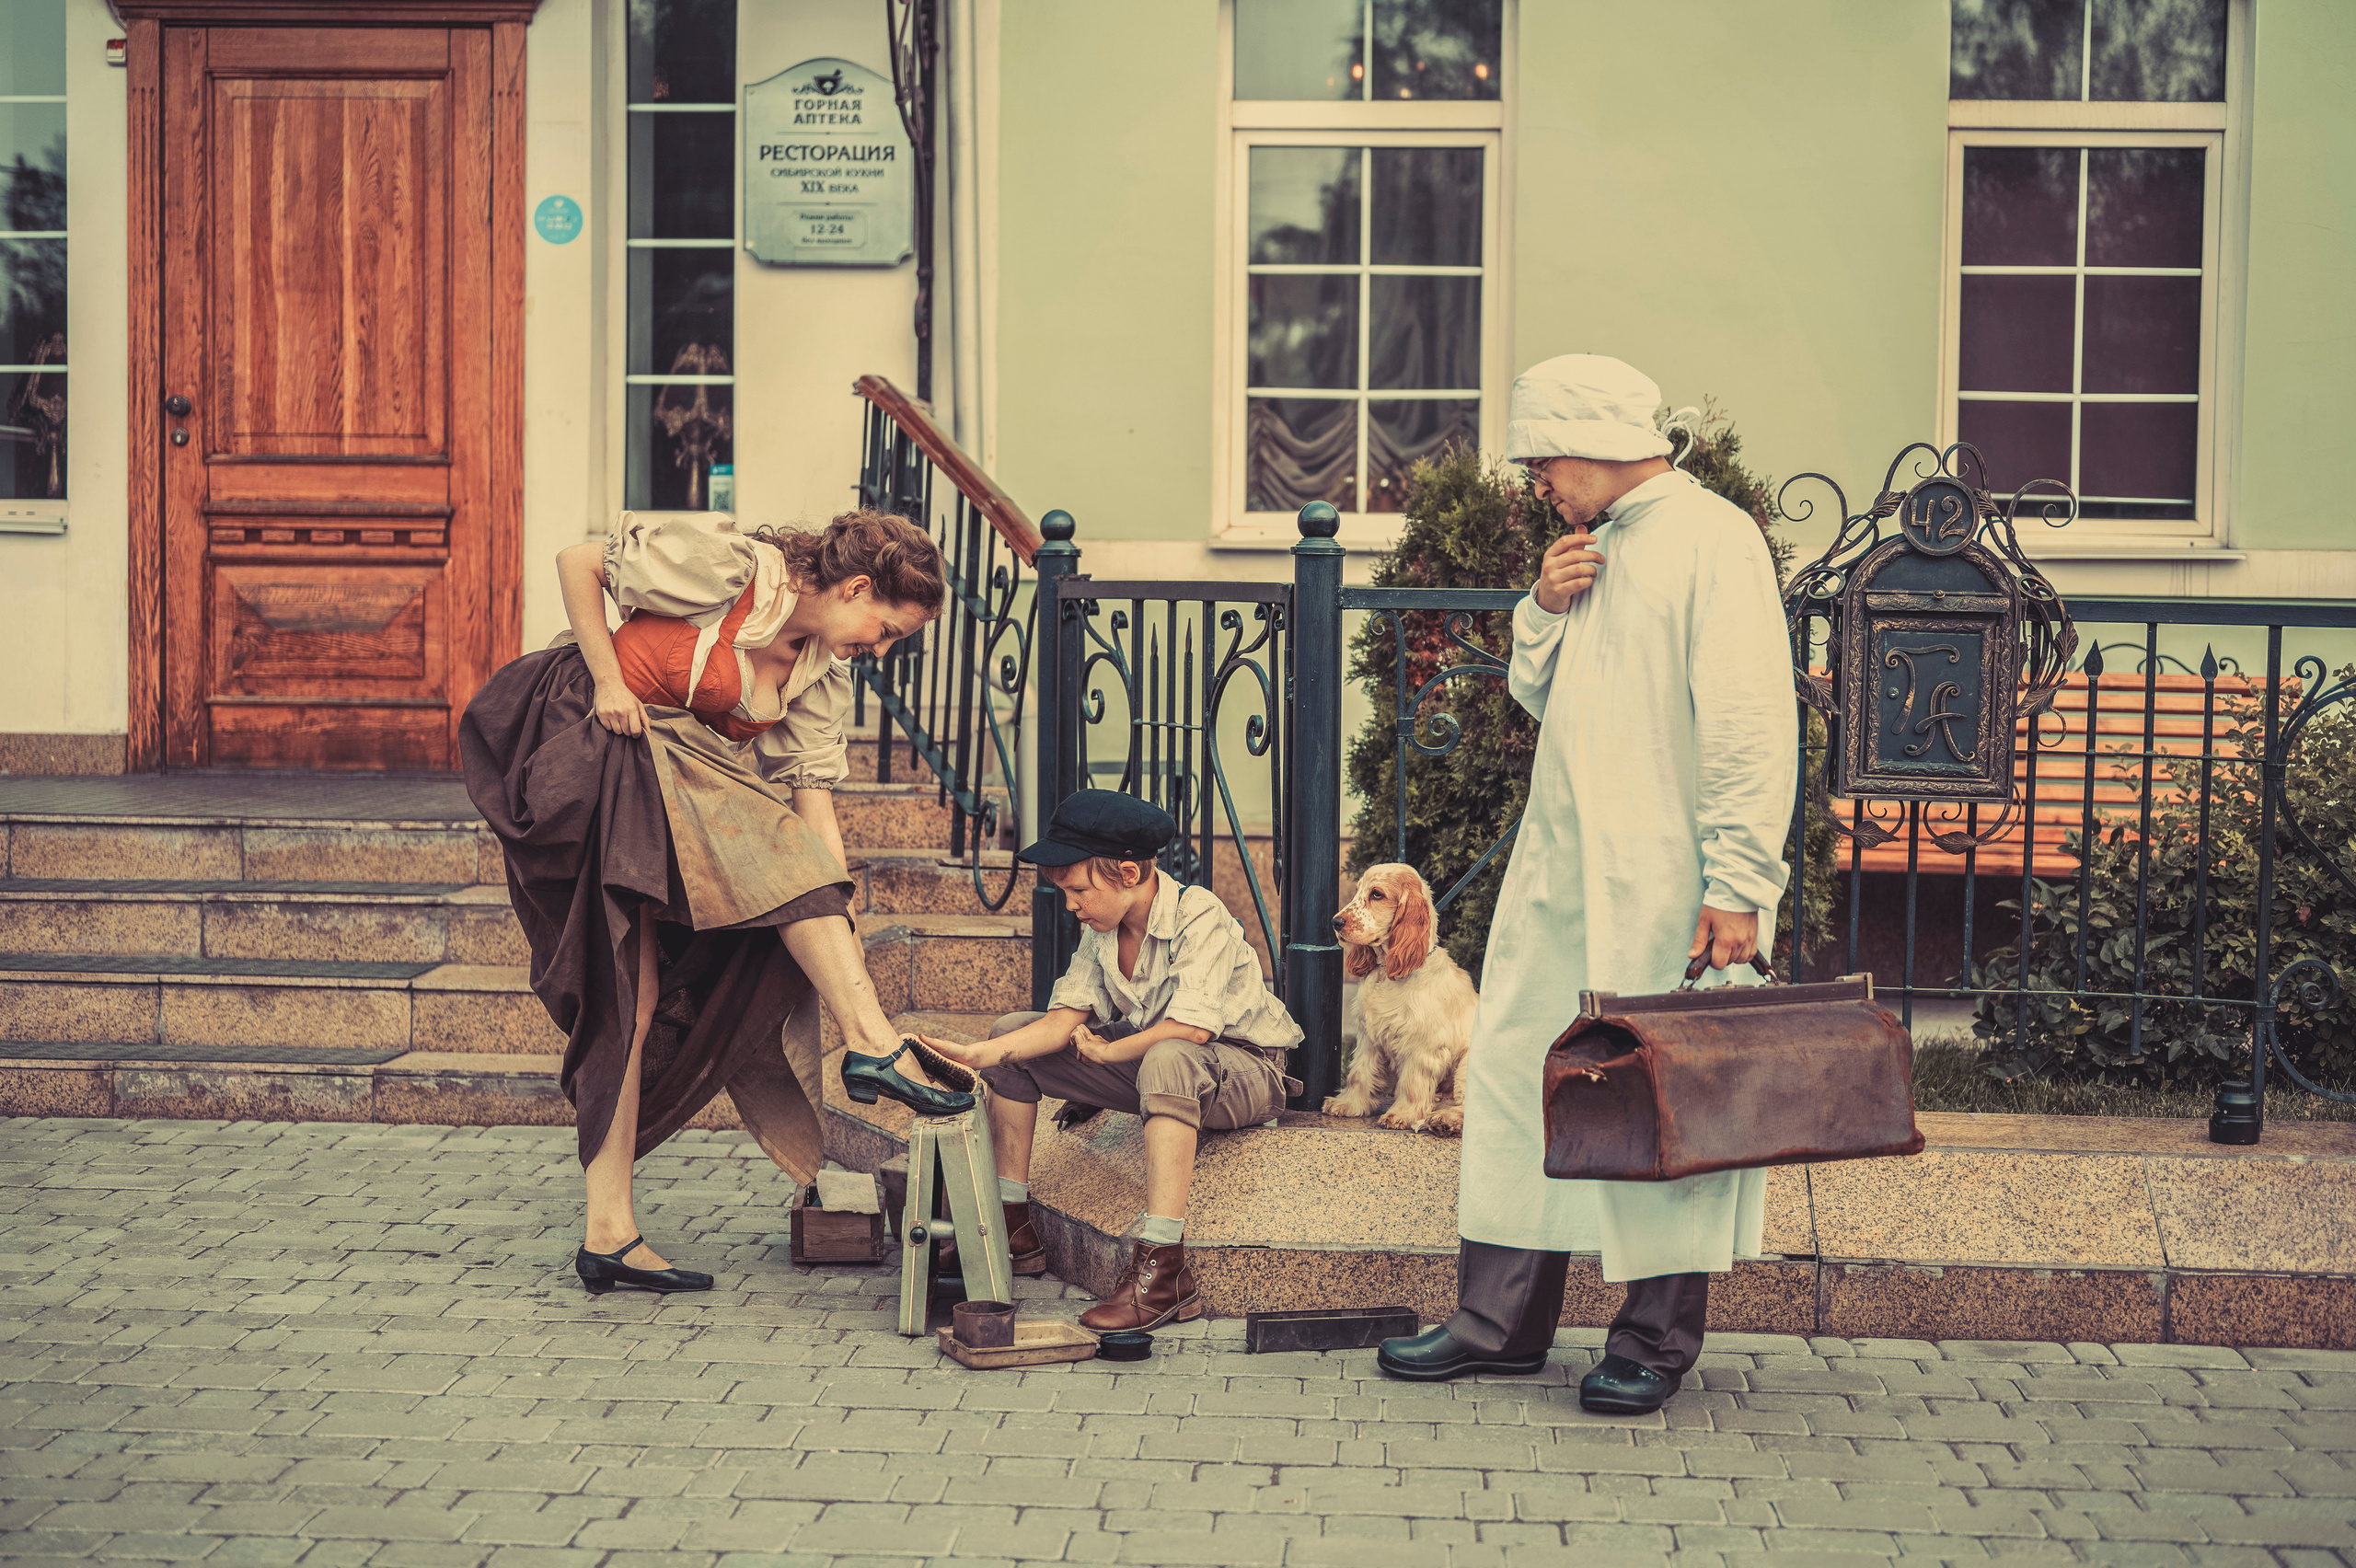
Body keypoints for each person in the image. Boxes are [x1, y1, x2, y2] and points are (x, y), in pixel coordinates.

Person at [1376, 355, 1798, 1413]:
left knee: (1658, 1096)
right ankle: (1498, 1322)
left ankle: (1652, 1341)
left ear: (1589, 440)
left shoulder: (1714, 539)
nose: (1536, 486)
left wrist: (1739, 882)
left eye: (1540, 462)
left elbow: (1752, 724)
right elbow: (1538, 693)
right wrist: (1539, 602)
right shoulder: (1590, 547)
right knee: (1521, 1077)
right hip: (1561, 875)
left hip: (1667, 883)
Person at [461, 506, 971, 1298]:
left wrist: (833, 906)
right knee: (661, 954)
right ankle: (872, 1042)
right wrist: (605, 681)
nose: (883, 650)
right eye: (887, 628)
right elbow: (576, 560)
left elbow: (811, 809)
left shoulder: (816, 675)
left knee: (638, 995)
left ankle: (609, 1237)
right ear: (857, 586)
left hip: (664, 780)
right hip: (590, 739)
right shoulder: (735, 570)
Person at [921, 790, 1303, 1332]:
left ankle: (1163, 1269)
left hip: (1245, 1071)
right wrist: (980, 1054)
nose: (1071, 904)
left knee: (1170, 1054)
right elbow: (1060, 1023)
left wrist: (1107, 1051)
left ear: (1128, 872)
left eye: (1078, 890)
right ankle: (1009, 1225)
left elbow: (1191, 1028)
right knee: (1014, 1035)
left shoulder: (1199, 913)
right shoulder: (1103, 931)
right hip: (1159, 1066)